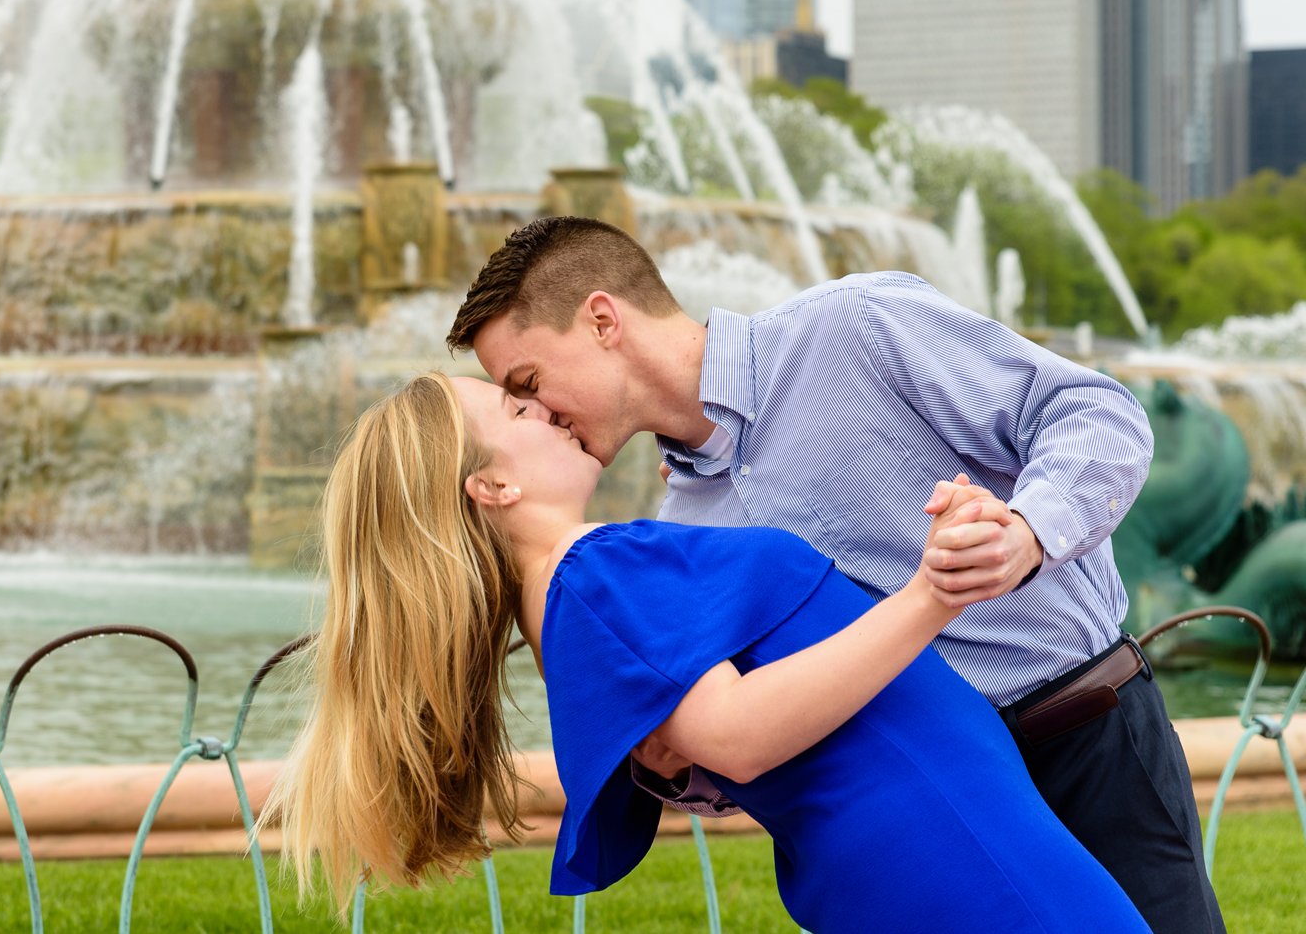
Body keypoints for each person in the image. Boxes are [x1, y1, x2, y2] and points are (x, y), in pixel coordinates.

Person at [444, 216, 1221, 934]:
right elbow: (763, 731)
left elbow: (1095, 410)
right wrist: (676, 766)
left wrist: (1028, 531)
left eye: (527, 381)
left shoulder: (856, 325)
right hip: (925, 830)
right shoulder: (675, 529)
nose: (536, 412)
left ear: (603, 320)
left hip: (1085, 739)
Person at [269, 371, 1150, 934]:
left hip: (937, 852)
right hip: (961, 863)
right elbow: (734, 735)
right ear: (493, 484)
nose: (541, 404)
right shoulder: (589, 574)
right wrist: (932, 593)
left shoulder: (587, 584)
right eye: (515, 406)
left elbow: (701, 741)